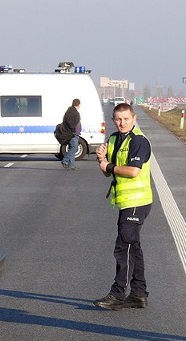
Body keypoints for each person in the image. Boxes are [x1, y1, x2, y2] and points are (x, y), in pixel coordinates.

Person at [93, 103, 153, 310]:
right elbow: (108, 172)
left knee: (123, 247)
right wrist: (102, 160)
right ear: (113, 120)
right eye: (118, 119)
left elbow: (133, 171)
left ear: (134, 119)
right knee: (133, 247)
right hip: (125, 202)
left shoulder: (139, 141)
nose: (122, 123)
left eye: (126, 119)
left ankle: (117, 294)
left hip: (138, 202)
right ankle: (138, 294)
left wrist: (108, 165)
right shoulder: (113, 139)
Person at [60, 98, 81, 170]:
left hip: (72, 132)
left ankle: (71, 165)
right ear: (78, 104)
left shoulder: (70, 111)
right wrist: (73, 130)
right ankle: (65, 160)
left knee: (72, 148)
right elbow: (71, 123)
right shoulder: (73, 112)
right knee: (74, 148)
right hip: (72, 133)